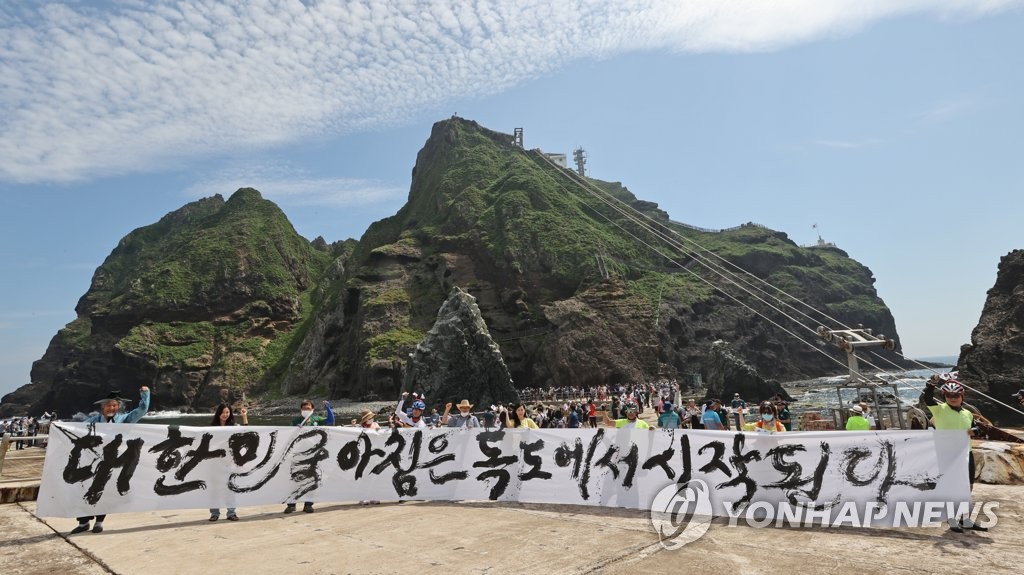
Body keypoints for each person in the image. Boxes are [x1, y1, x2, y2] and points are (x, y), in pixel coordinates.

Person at [70, 387, 151, 535]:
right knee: (82, 488)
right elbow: (78, 430)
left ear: (118, 407)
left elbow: (143, 409)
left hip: (111, 460)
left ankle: (99, 522)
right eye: (108, 405)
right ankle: (83, 523)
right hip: (92, 459)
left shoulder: (126, 419)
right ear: (103, 407)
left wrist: (145, 394)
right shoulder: (94, 420)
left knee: (103, 489)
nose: (111, 408)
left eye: (114, 405)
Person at [920, 374, 987, 533]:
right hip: (947, 454)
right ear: (944, 397)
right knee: (951, 488)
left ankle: (966, 519)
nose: (952, 398)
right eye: (949, 395)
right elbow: (927, 398)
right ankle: (952, 519)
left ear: (961, 396)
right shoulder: (939, 410)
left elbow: (977, 428)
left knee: (968, 487)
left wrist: (975, 430)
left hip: (966, 454)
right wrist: (932, 383)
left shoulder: (967, 413)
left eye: (956, 395)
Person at [285, 399, 334, 514]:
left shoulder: (316, 419)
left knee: (312, 479)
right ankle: (291, 504)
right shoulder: (296, 420)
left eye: (308, 408)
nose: (306, 410)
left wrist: (328, 409)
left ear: (312, 409)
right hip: (298, 454)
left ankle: (308, 504)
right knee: (294, 479)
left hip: (313, 454)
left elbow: (330, 421)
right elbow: (288, 434)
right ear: (300, 409)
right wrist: (294, 429)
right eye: (304, 408)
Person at [209, 404, 248, 521]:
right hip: (215, 462)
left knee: (230, 488)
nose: (225, 415)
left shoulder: (234, 426)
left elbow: (246, 431)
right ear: (219, 413)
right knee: (214, 489)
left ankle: (231, 513)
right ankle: (214, 513)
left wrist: (244, 416)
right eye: (223, 412)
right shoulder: (212, 427)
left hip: (229, 462)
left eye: (228, 412)